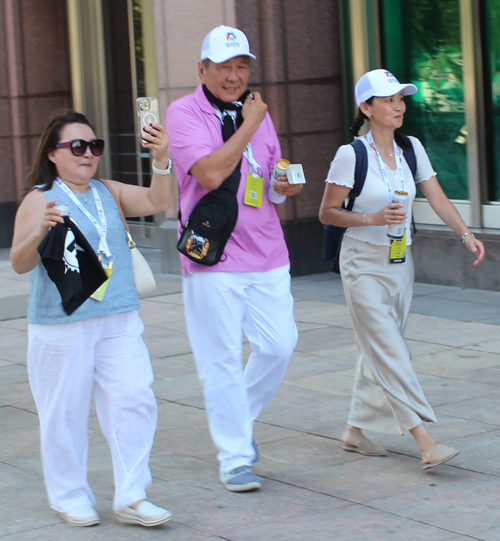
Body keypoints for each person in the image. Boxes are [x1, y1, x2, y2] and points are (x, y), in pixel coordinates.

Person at [10, 110, 174, 527]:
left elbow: (159, 202)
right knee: (62, 412)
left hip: (119, 317)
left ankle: (132, 496)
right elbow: (19, 262)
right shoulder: (39, 198)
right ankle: (69, 495)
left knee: (134, 400)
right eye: (77, 146)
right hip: (61, 324)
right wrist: (39, 231)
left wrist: (161, 159)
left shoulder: (107, 190)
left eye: (94, 146)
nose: (88, 154)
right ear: (53, 154)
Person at [319, 69, 485, 470]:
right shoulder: (351, 155)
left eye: (400, 99)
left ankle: (355, 430)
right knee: (392, 351)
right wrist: (372, 219)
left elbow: (437, 196)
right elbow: (326, 212)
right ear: (366, 107)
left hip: (399, 261)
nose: (398, 106)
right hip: (361, 264)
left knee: (379, 347)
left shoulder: (411, 147)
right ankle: (425, 440)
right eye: (388, 100)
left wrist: (466, 233)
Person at [166, 25, 301, 492]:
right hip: (212, 255)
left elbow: (271, 169)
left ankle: (236, 423)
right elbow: (208, 172)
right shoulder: (183, 113)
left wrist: (285, 185)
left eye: (241, 66)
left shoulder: (259, 114)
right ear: (202, 69)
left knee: (279, 345)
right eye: (224, 66)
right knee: (219, 358)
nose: (234, 75)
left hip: (267, 250)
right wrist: (248, 123)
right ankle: (235, 456)